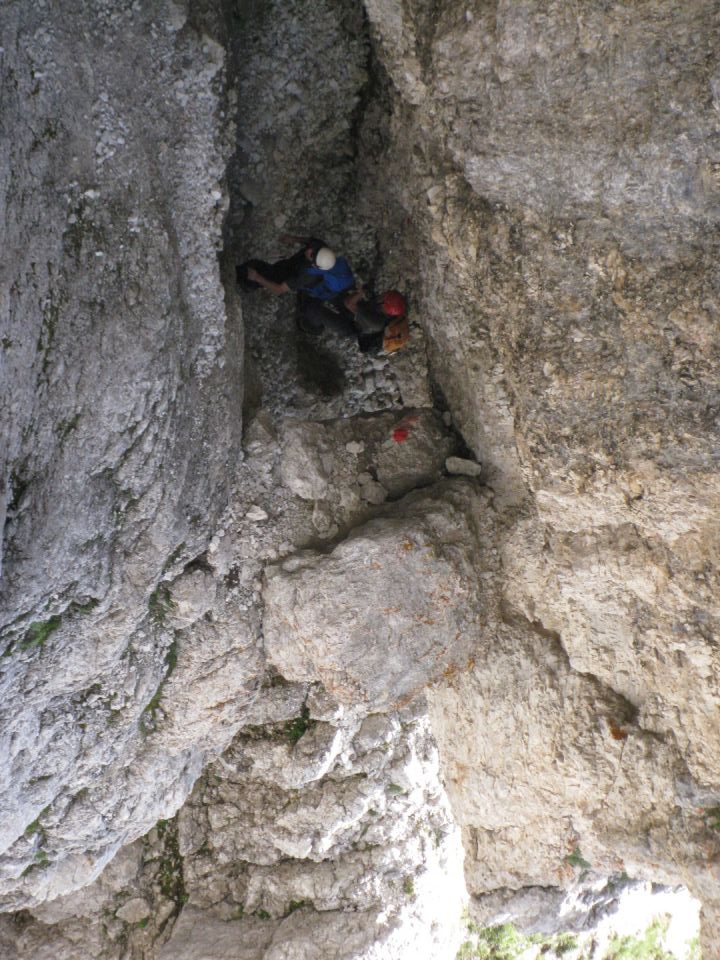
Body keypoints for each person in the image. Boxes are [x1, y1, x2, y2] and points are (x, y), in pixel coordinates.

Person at [236, 234, 355, 304]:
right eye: (313, 250)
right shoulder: (321, 249)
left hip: (288, 274)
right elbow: (310, 242)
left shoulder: (307, 276)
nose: (309, 251)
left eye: (312, 255)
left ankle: (245, 283)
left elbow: (279, 289)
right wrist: (293, 239)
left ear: (315, 266)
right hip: (290, 265)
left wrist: (257, 277)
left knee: (256, 270)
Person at [301, 287, 408, 353]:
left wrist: (361, 292)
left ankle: (313, 328)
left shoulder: (375, 322)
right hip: (357, 317)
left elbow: (349, 303)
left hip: (350, 327)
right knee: (331, 292)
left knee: (315, 311)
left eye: (385, 295)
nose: (384, 293)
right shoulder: (386, 312)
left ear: (385, 305)